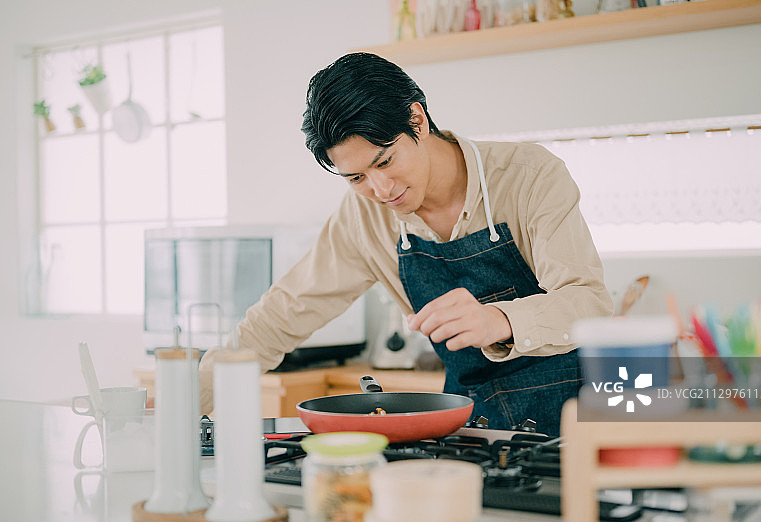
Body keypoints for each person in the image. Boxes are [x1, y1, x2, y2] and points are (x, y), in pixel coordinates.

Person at [199, 52, 613, 436]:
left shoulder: (528, 175)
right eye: (356, 178)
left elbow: (588, 301)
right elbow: (282, 314)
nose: (379, 189)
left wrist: (497, 321)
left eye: (384, 161)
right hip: (470, 425)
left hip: (575, 421)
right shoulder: (363, 217)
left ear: (417, 121)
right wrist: (186, 402)